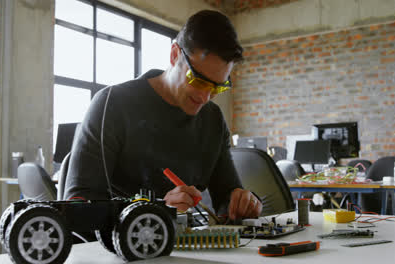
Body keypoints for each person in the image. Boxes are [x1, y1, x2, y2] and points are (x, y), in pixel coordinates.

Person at [64, 10, 262, 220]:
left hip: (191, 248)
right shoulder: (113, 104)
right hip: (118, 247)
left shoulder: (212, 119)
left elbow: (225, 198)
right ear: (174, 54)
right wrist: (156, 211)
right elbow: (79, 206)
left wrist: (241, 203)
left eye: (217, 88)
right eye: (198, 81)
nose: (205, 97)